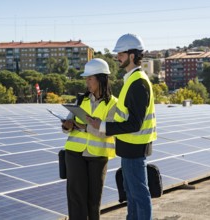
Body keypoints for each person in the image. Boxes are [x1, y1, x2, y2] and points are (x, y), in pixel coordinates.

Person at [87, 34, 157, 220]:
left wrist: (102, 126)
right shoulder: (131, 80)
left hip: (135, 148)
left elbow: (135, 123)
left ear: (132, 55)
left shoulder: (138, 83)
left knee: (139, 195)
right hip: (129, 147)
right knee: (132, 195)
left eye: (121, 53)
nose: (117, 57)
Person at [61, 58, 118, 220]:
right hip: (74, 154)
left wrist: (85, 128)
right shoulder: (81, 100)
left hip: (97, 156)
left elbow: (108, 130)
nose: (87, 82)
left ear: (101, 79)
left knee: (94, 199)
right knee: (76, 198)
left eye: (90, 78)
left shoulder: (114, 104)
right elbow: (69, 124)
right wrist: (67, 126)